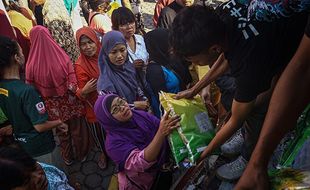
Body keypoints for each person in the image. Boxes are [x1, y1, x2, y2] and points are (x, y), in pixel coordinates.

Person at [169, 4, 307, 181]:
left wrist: (206, 152)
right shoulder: (222, 14)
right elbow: (226, 55)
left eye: (193, 59)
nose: (193, 64)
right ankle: (246, 135)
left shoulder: (249, 63)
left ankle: (249, 156)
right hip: (276, 36)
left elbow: (236, 118)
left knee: (255, 108)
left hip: (295, 46)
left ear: (213, 48)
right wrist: (194, 89)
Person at [26, 26, 91, 165]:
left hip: (52, 107)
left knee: (62, 132)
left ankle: (67, 157)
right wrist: (78, 93)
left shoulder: (30, 64)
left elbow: (31, 89)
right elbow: (72, 84)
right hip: (70, 102)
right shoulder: (62, 56)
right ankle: (82, 154)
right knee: (77, 129)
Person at [0, 35, 68, 163]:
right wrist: (59, 122)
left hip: (23, 146)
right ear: (17, 58)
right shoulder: (26, 91)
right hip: (42, 148)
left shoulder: (3, 86)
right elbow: (40, 126)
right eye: (21, 51)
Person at [94, 93, 180, 189]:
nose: (122, 107)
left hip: (164, 164)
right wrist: (161, 133)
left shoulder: (138, 115)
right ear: (108, 119)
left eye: (121, 102)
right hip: (147, 181)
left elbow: (158, 124)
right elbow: (141, 162)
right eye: (115, 109)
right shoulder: (112, 145)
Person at [75, 26, 108, 169]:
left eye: (90, 42)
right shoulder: (80, 65)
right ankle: (103, 154)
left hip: (113, 102)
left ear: (96, 40)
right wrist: (84, 91)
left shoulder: (106, 54)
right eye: (83, 44)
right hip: (94, 108)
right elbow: (82, 95)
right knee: (100, 135)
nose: (87, 47)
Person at [144, 28, 192, 117]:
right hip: (172, 116)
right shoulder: (154, 72)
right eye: (168, 43)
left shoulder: (169, 60)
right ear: (159, 46)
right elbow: (163, 103)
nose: (172, 47)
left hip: (183, 109)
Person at [97, 30, 149, 109]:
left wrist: (145, 103)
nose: (119, 56)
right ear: (106, 54)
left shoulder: (129, 68)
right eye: (114, 52)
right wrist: (134, 105)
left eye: (122, 50)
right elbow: (111, 109)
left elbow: (138, 89)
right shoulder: (105, 82)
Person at [111, 7, 150, 99]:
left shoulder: (140, 38)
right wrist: (130, 66)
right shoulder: (115, 47)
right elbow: (113, 71)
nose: (129, 27)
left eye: (131, 22)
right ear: (116, 27)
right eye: (124, 24)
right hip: (132, 90)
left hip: (148, 83)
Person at [0, 146, 73, 190]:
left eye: (34, 168)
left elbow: (64, 179)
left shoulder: (45, 168)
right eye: (26, 181)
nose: (39, 177)